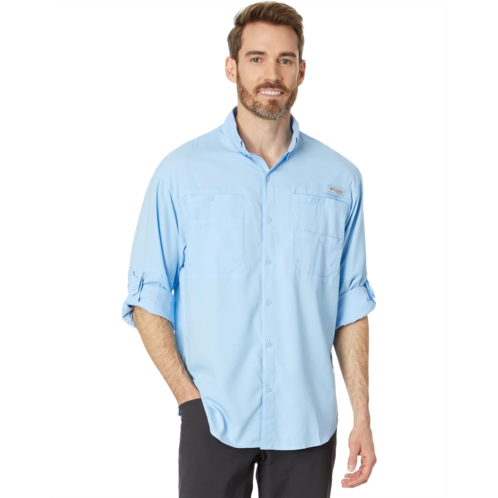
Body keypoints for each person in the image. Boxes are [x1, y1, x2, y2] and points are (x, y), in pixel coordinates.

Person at [122, 2, 377, 496]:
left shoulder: (340, 179)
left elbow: (350, 304)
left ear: (301, 71)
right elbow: (147, 296)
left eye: (285, 59)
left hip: (308, 424)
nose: (271, 74)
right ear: (231, 67)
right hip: (214, 419)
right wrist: (189, 400)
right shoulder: (180, 174)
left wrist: (362, 416)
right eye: (256, 58)